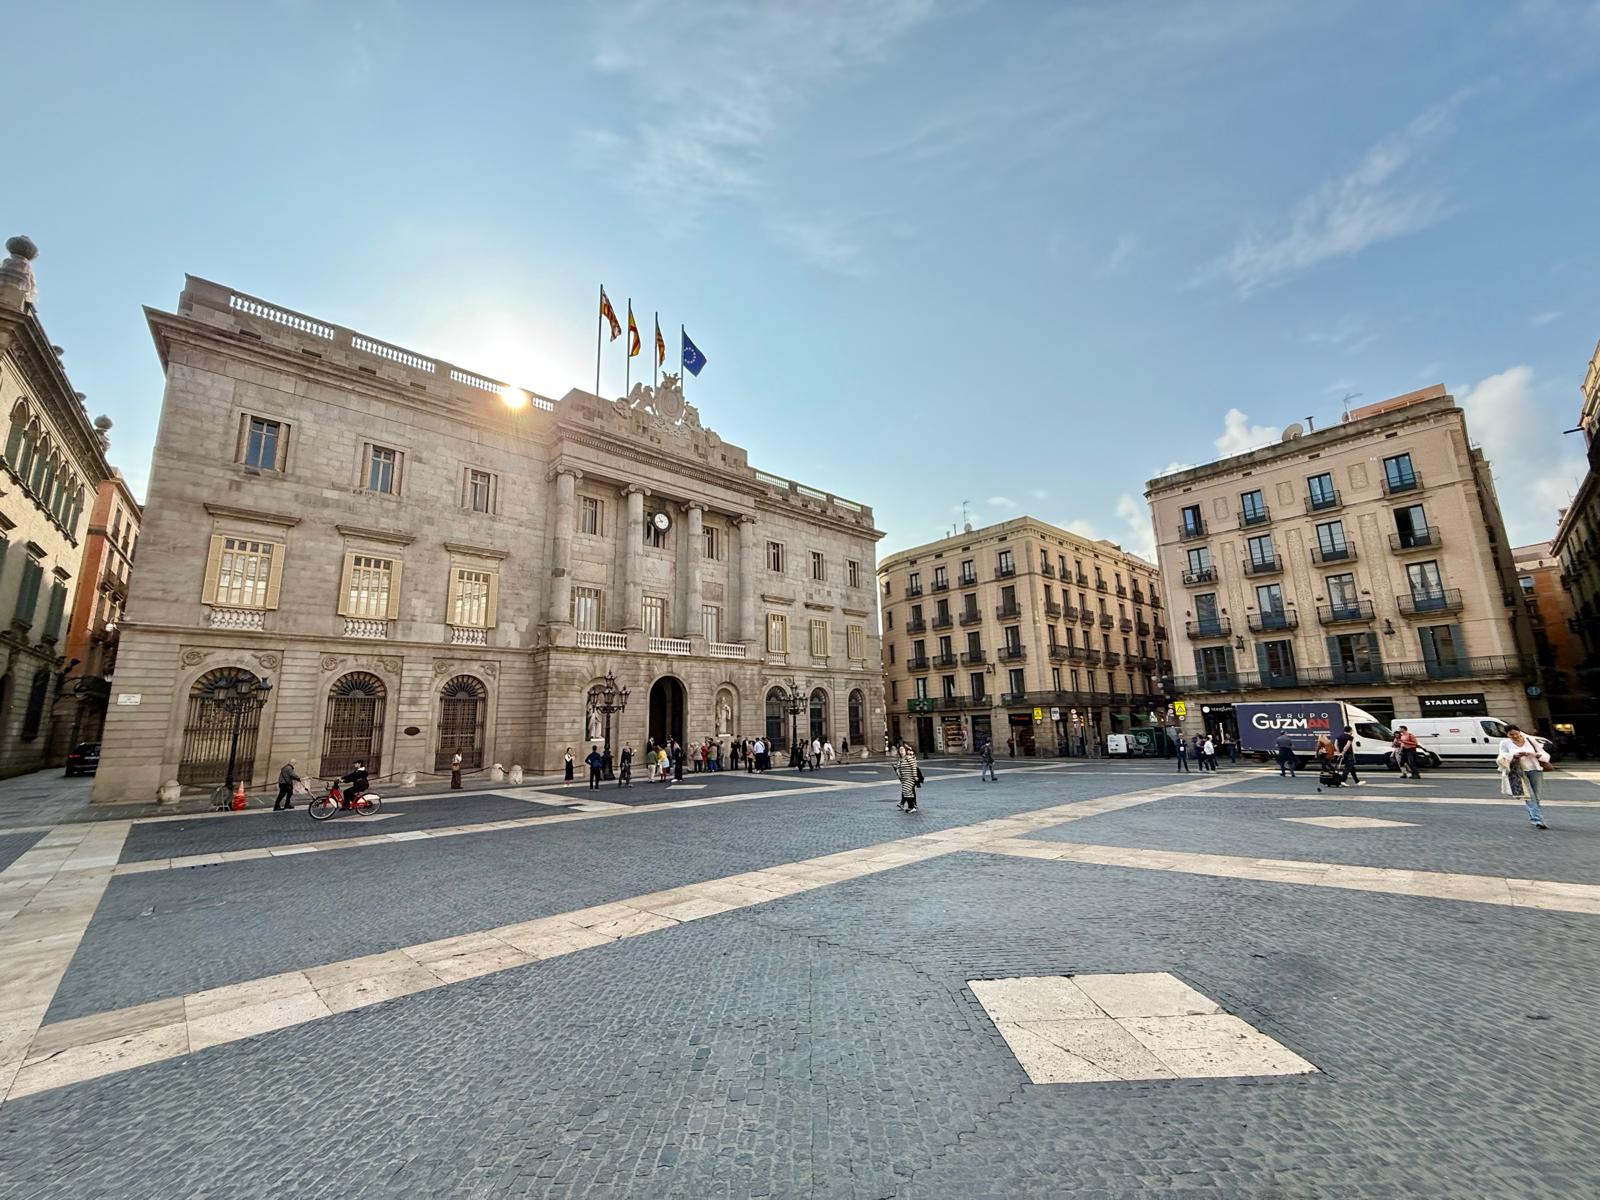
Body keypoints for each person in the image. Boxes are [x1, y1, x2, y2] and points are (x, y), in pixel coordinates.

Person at [1499, 724, 1551, 829]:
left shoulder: (1530, 740)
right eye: (1511, 735)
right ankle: (1537, 820)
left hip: (1535, 769)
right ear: (1507, 734)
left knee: (1536, 795)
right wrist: (1514, 756)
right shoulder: (1505, 743)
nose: (1514, 736)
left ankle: (1535, 816)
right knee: (1529, 795)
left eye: (1516, 734)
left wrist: (1536, 755)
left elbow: (1544, 754)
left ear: (1519, 732)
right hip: (1519, 771)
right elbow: (1501, 757)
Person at [896, 744, 922, 812]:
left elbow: (914, 767)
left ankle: (912, 806)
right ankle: (911, 806)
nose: (901, 751)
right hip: (904, 779)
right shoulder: (901, 759)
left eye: (902, 750)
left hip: (909, 778)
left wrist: (915, 776)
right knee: (907, 792)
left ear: (906, 751)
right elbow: (898, 768)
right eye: (900, 750)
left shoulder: (909, 758)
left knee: (907, 791)